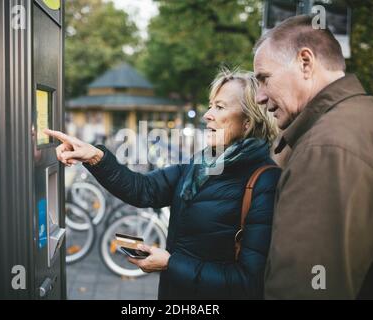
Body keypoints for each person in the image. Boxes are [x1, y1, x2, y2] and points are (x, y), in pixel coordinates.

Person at [45, 69, 281, 299]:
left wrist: (170, 263)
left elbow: (248, 282)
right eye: (210, 106)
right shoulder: (200, 165)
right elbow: (143, 190)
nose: (207, 115)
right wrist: (95, 156)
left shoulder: (264, 181)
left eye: (219, 107)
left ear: (248, 122)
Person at [253, 14, 373, 299]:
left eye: (264, 79)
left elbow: (305, 290)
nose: (259, 97)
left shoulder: (327, 149)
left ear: (305, 63)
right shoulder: (367, 119)